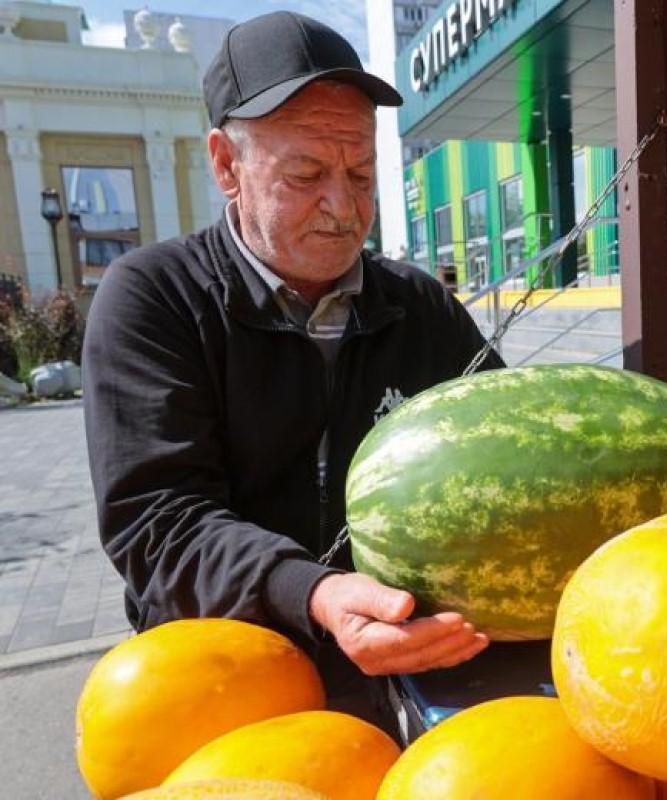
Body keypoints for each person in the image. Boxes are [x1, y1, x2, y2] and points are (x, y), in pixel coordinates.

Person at [82, 12, 501, 733]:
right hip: (227, 681)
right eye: (306, 174)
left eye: (362, 173)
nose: (344, 207)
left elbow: (505, 456)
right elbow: (156, 523)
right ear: (226, 165)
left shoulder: (420, 305)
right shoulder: (153, 298)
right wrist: (315, 594)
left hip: (406, 666)